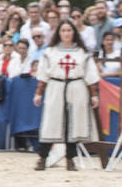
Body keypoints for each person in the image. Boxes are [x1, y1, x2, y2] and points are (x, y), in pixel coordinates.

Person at [32, 21, 100, 171]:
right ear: (59, 33)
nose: (66, 33)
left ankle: (70, 159)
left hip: (77, 88)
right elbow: (43, 74)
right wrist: (38, 93)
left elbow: (90, 75)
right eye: (63, 30)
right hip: (55, 87)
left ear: (74, 32)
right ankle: (42, 158)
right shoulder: (50, 52)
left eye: (69, 30)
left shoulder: (83, 53)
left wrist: (94, 95)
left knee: (74, 125)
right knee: (51, 122)